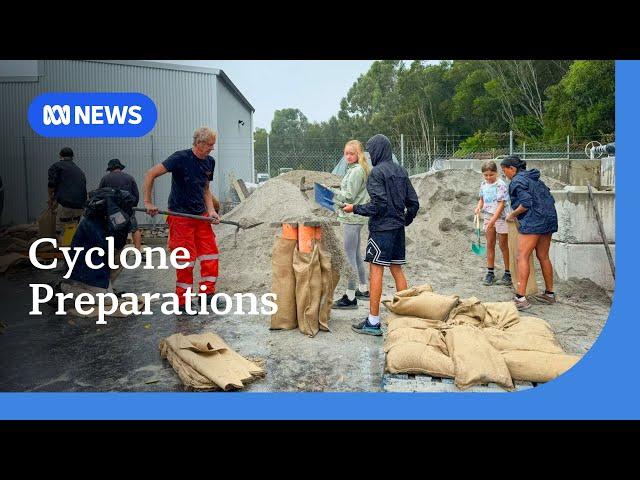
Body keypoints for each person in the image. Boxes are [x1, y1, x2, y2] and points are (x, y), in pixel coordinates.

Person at [342, 134, 420, 336]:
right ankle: (404, 319)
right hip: (397, 230)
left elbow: (378, 205)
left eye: (371, 150)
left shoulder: (376, 174)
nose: (370, 154)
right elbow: (414, 203)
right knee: (397, 270)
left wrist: (355, 208)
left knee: (376, 272)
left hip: (381, 230)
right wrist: (404, 220)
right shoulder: (401, 171)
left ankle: (373, 322)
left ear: (377, 151)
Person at [143, 127, 222, 315]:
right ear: (199, 143)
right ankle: (182, 302)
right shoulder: (180, 158)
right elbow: (150, 174)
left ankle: (206, 295)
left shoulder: (210, 162)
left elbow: (205, 189)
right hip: (180, 216)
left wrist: (211, 211)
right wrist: (147, 201)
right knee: (185, 260)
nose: (212, 149)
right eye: (210, 145)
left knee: (210, 254)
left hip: (200, 215)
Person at [500, 155, 558, 310]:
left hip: (534, 220)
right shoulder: (535, 179)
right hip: (549, 218)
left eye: (504, 171)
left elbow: (525, 203)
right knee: (543, 256)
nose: (504, 175)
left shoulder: (517, 181)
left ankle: (520, 298)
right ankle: (550, 294)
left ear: (512, 169)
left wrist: (512, 214)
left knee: (522, 256)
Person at [328, 140, 371, 309]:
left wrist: (331, 193)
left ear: (359, 154)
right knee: (356, 254)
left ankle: (350, 297)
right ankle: (362, 289)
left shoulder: (356, 172)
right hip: (356, 217)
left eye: (351, 153)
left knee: (349, 256)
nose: (348, 156)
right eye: (346, 153)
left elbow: (349, 196)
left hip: (351, 217)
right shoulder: (357, 169)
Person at [474, 160, 511, 286]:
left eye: (491, 175)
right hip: (488, 216)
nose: (489, 177)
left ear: (496, 173)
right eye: (486, 175)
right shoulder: (483, 184)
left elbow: (501, 205)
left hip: (501, 218)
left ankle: (508, 273)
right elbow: (482, 199)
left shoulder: (501, 185)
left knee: (503, 245)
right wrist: (478, 207)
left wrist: (493, 221)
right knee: (490, 244)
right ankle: (490, 273)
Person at [98, 159, 142, 251]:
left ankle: (114, 250)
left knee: (113, 229)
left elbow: (100, 194)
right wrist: (132, 206)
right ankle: (138, 250)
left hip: (113, 210)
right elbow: (136, 194)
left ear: (110, 169)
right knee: (134, 228)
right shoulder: (130, 178)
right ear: (120, 167)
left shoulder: (105, 179)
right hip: (128, 209)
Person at [47, 147, 87, 239]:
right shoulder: (79, 170)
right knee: (72, 230)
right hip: (80, 205)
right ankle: (72, 246)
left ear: (60, 156)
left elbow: (51, 184)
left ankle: (64, 249)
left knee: (61, 230)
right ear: (73, 157)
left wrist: (50, 198)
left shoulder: (56, 166)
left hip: (65, 204)